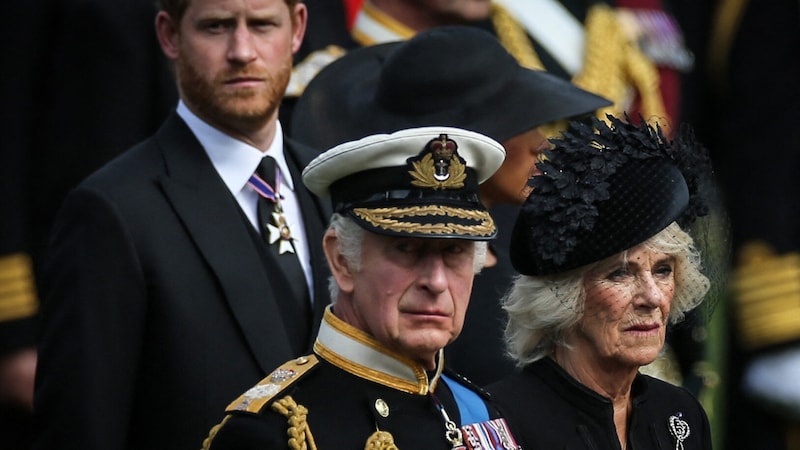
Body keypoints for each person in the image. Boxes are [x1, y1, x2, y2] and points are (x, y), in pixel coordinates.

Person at [32, 0, 331, 449]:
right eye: (216, 26)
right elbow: (81, 430)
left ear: (297, 29)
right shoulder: (111, 212)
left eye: (263, 24)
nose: (242, 50)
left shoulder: (332, 187)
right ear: (169, 35)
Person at [291, 25, 610, 385]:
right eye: (408, 248)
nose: (543, 144)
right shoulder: (366, 276)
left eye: (456, 252)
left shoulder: (530, 252)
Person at [202, 126, 522, 449]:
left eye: (454, 251)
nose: (436, 282)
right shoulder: (274, 434)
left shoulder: (479, 412)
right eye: (406, 249)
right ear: (341, 259)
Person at [486, 114, 720, 449]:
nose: (652, 297)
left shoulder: (680, 414)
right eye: (621, 273)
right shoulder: (502, 421)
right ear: (564, 296)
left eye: (663, 270)